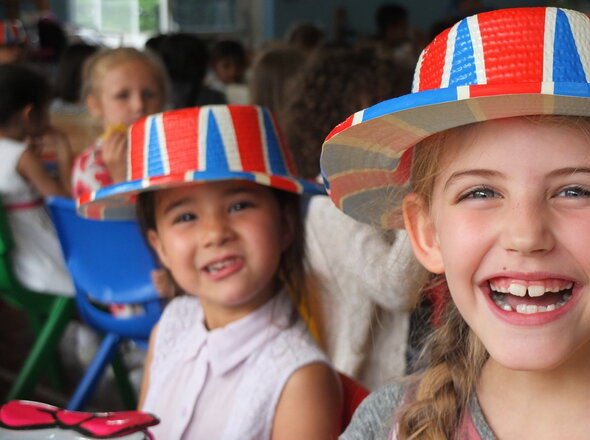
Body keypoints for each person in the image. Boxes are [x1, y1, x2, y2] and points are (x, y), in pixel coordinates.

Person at [319, 8, 590, 439]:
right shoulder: (390, 422)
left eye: (575, 191)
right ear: (427, 233)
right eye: (481, 193)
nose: (526, 236)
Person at [77, 105, 342, 439]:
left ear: (286, 224)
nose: (215, 233)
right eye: (186, 217)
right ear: (160, 247)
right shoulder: (171, 325)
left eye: (239, 206)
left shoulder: (301, 380)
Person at [281, 47, 423, 389]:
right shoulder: (333, 205)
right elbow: (397, 289)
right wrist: (417, 201)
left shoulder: (340, 192)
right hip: (360, 380)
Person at [0, 63, 74, 296]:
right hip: (46, 263)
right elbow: (65, 202)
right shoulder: (23, 157)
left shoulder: (14, 152)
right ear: (29, 114)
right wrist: (63, 151)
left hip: (10, 266)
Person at [71, 47, 168, 199]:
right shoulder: (91, 166)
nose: (139, 105)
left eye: (149, 94)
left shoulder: (170, 154)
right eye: (123, 96)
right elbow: (114, 222)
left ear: (163, 100)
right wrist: (121, 177)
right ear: (95, 105)